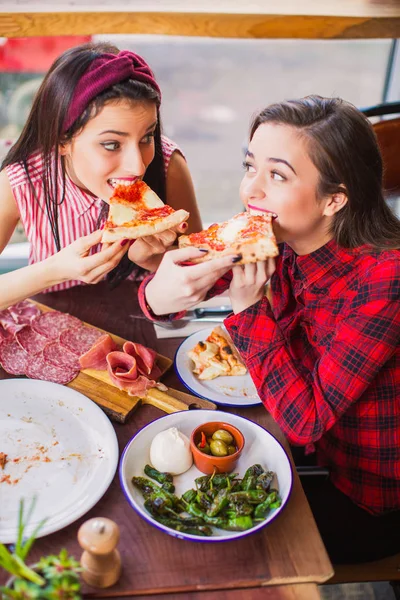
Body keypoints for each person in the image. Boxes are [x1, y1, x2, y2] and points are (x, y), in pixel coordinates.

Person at [139, 95, 400, 564]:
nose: (250, 191)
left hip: (368, 493)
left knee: (201, 546)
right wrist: (162, 289)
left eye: (277, 175)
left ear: (335, 198)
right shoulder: (271, 234)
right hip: (299, 446)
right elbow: (168, 298)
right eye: (250, 165)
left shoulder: (385, 279)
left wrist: (247, 309)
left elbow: (306, 423)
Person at [0, 41, 202, 310]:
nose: (137, 167)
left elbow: (200, 271)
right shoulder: (22, 181)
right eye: (111, 144)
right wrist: (54, 271)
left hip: (149, 315)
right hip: (52, 317)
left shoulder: (168, 164)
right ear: (61, 139)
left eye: (146, 137)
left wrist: (149, 258)